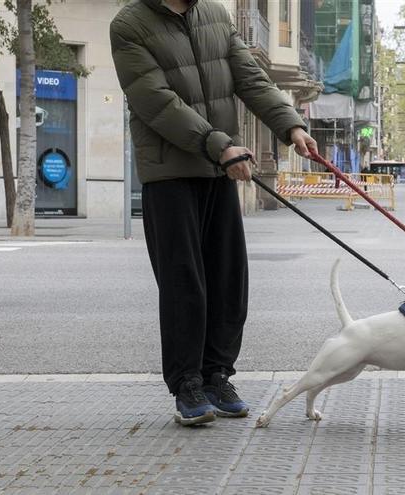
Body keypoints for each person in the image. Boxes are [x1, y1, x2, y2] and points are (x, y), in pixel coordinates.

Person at [110, 0, 317, 426]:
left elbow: (250, 77)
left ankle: (217, 375)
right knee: (184, 280)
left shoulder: (216, 16)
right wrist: (219, 145)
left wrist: (290, 124)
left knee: (228, 278)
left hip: (218, 168)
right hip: (170, 174)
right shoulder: (129, 25)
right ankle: (187, 383)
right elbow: (157, 102)